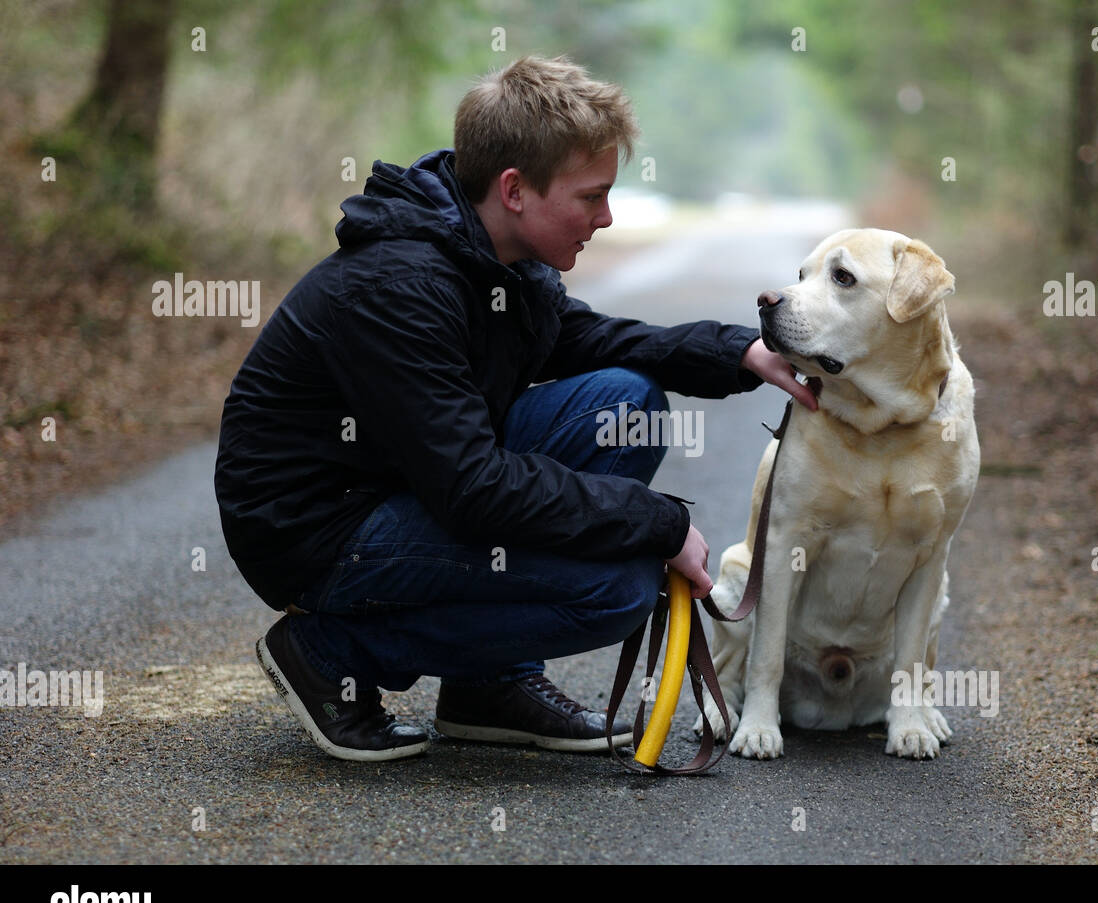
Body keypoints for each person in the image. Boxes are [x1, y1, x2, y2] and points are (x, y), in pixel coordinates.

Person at [214, 54, 817, 762]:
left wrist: (737, 351)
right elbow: (474, 490)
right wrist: (659, 523)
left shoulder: (492, 252)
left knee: (627, 403)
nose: (607, 214)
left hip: (402, 479)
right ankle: (330, 654)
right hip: (316, 528)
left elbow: (585, 338)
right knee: (616, 587)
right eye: (591, 196)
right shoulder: (402, 285)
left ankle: (487, 686)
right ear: (515, 189)